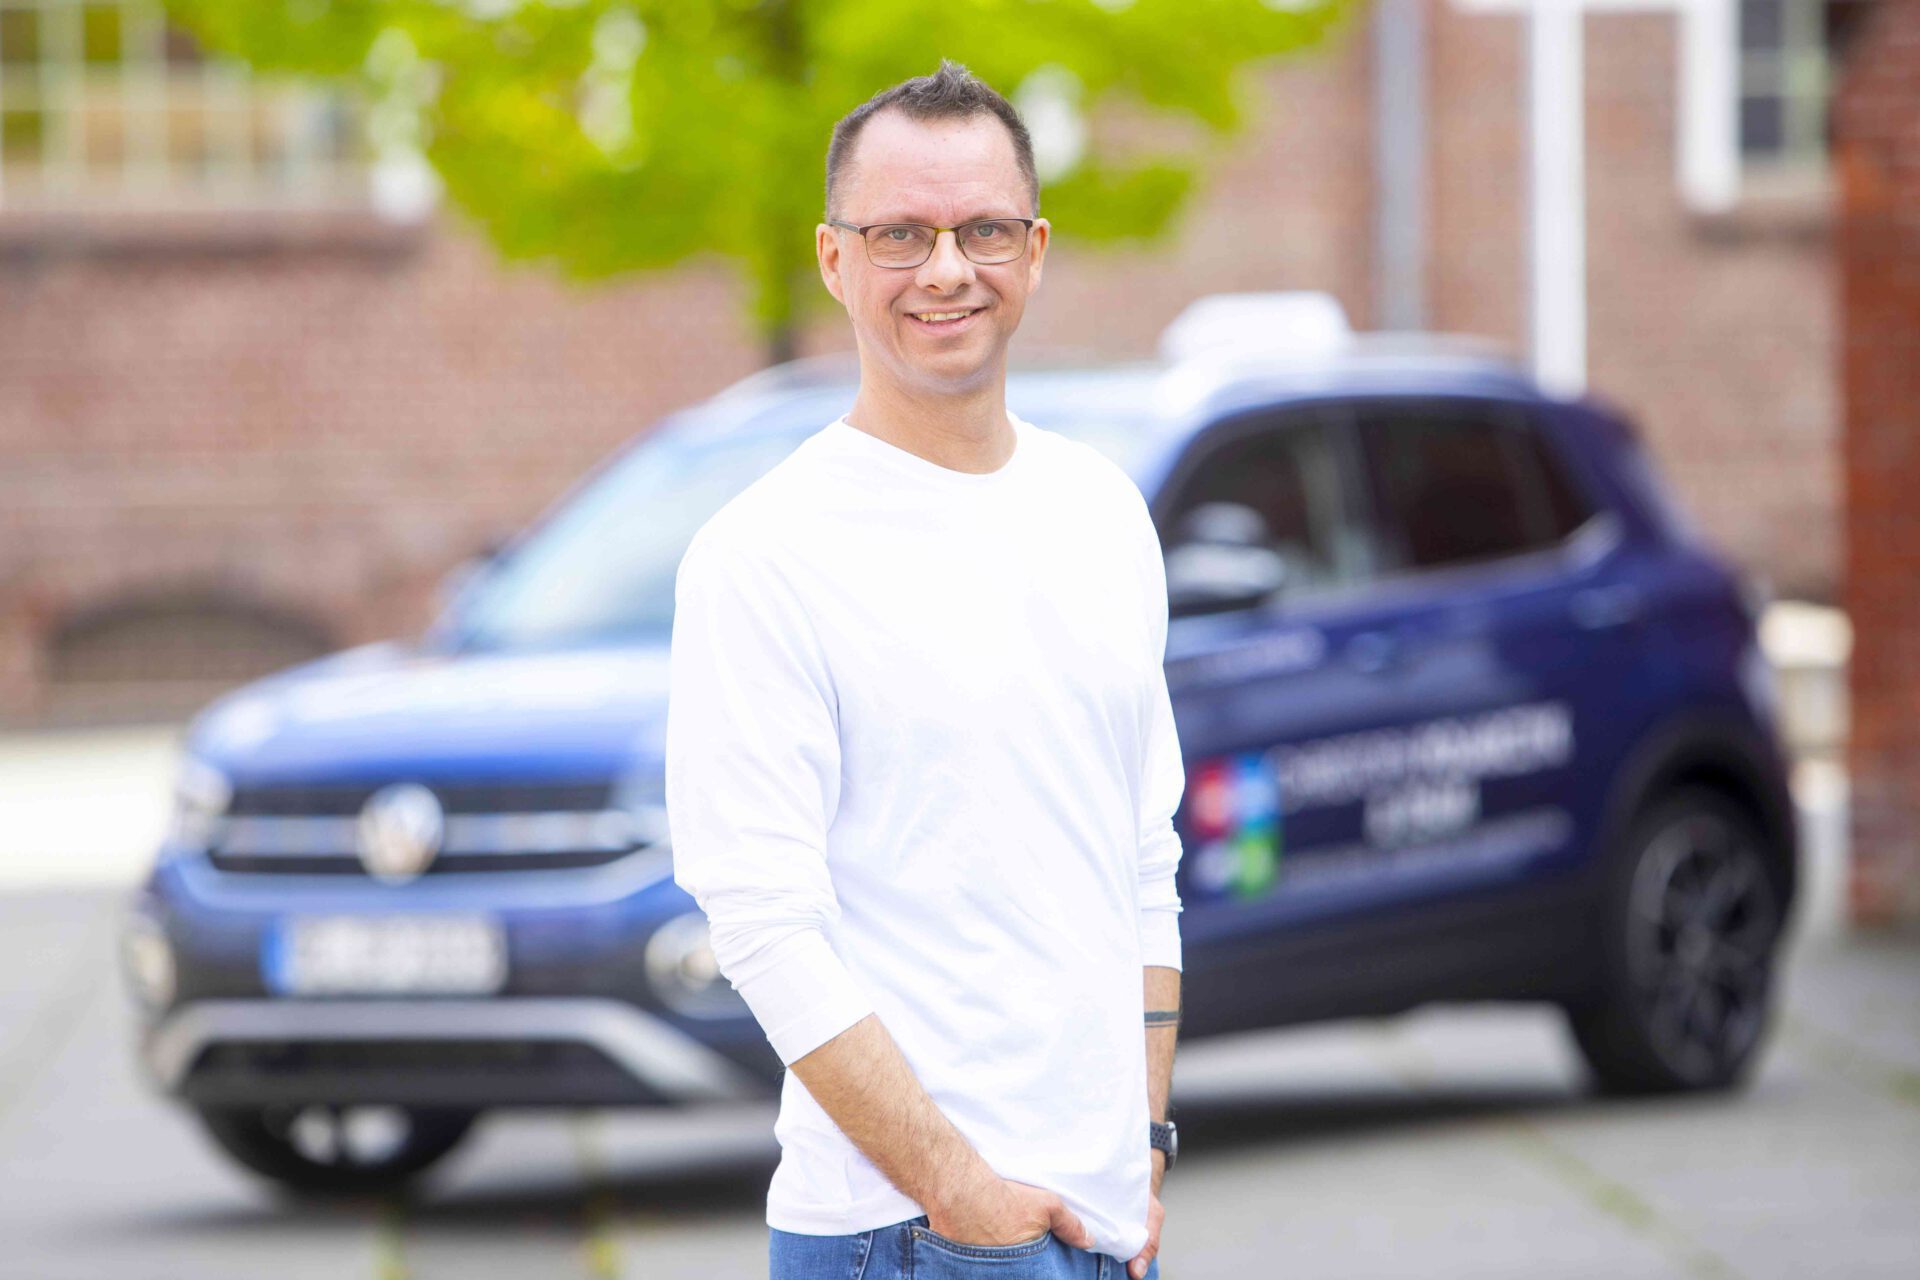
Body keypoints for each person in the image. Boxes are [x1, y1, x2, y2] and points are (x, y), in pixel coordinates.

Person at [665, 59, 1185, 1280]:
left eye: (983, 230)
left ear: (1036, 249)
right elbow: (762, 922)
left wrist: (1143, 1147)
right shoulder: (763, 553)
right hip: (901, 1236)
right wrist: (962, 1195)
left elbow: (1143, 859)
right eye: (901, 232)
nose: (947, 269)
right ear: (835, 259)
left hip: (1106, 1228)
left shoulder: (1103, 511)